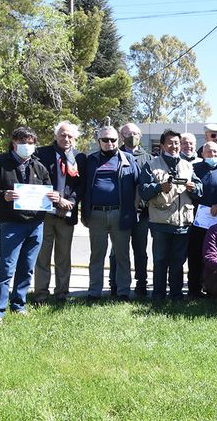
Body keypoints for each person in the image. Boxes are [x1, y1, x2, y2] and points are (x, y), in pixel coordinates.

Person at [0, 127, 58, 322]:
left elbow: (48, 190)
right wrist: (2, 195)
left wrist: (53, 197)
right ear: (13, 143)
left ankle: (18, 305)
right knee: (6, 267)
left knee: (27, 267)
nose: (27, 146)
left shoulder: (39, 166)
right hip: (11, 223)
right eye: (23, 142)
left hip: (36, 224)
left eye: (30, 143)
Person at [138, 129, 203, 301]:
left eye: (177, 143)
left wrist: (194, 188)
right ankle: (158, 295)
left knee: (178, 261)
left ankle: (176, 295)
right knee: (160, 260)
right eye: (170, 143)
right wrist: (159, 187)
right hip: (160, 222)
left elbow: (199, 190)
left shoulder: (188, 166)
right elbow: (143, 191)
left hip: (183, 223)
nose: (174, 146)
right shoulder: (151, 165)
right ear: (162, 145)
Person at [82, 126, 139, 301]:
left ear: (118, 140)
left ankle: (123, 292)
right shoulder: (90, 160)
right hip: (96, 215)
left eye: (113, 140)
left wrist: (133, 208)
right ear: (98, 141)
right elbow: (83, 186)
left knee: (122, 256)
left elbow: (138, 185)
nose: (109, 143)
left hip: (120, 214)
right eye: (105, 140)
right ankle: (94, 292)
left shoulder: (128, 159)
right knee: (96, 255)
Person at [33, 121, 85, 302]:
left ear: (75, 138)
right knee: (42, 256)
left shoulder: (79, 157)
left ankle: (62, 293)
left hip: (67, 214)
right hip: (44, 213)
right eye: (63, 135)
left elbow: (81, 185)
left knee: (63, 256)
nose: (66, 138)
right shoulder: (40, 154)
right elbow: (35, 180)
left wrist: (71, 201)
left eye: (70, 136)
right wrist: (55, 199)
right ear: (56, 136)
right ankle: (41, 294)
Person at [108, 123, 154, 297]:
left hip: (142, 214)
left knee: (140, 251)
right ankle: (114, 284)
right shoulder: (114, 155)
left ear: (140, 136)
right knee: (117, 251)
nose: (131, 136)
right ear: (121, 136)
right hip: (119, 212)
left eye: (135, 133)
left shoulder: (149, 158)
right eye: (127, 133)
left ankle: (141, 284)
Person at [188, 141, 217, 298]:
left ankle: (211, 288)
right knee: (195, 254)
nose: (212, 155)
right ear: (202, 154)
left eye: (215, 152)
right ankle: (194, 289)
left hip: (216, 221)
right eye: (209, 152)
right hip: (196, 221)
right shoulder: (194, 169)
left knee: (213, 254)